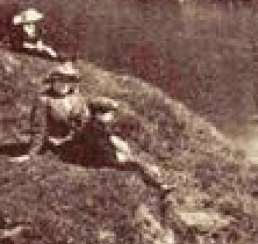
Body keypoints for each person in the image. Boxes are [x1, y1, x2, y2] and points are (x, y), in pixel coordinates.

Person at [16, 64, 172, 194]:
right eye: (60, 81)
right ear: (52, 81)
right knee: (114, 157)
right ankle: (146, 174)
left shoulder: (76, 97)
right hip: (61, 145)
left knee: (112, 146)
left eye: (68, 81)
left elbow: (86, 121)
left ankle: (146, 173)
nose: (64, 85)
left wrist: (110, 138)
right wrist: (30, 154)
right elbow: (39, 129)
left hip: (81, 139)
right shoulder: (44, 100)